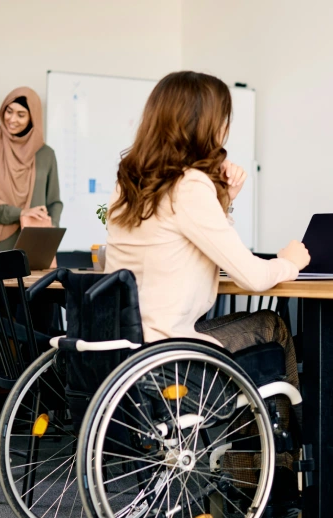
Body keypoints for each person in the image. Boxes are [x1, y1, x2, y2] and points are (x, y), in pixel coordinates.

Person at [105, 70, 309, 420]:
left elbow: (194, 241)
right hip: (168, 353)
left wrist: (225, 200)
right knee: (271, 325)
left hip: (124, 347)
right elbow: (254, 278)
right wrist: (288, 261)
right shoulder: (189, 184)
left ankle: (259, 462)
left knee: (237, 328)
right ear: (206, 124)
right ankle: (277, 467)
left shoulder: (129, 182)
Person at [0, 87, 62, 251]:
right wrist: (22, 213)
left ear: (32, 118)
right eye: (9, 111)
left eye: (21, 115)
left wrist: (50, 230)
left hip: (35, 247)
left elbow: (54, 202)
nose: (12, 119)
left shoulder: (45, 154)